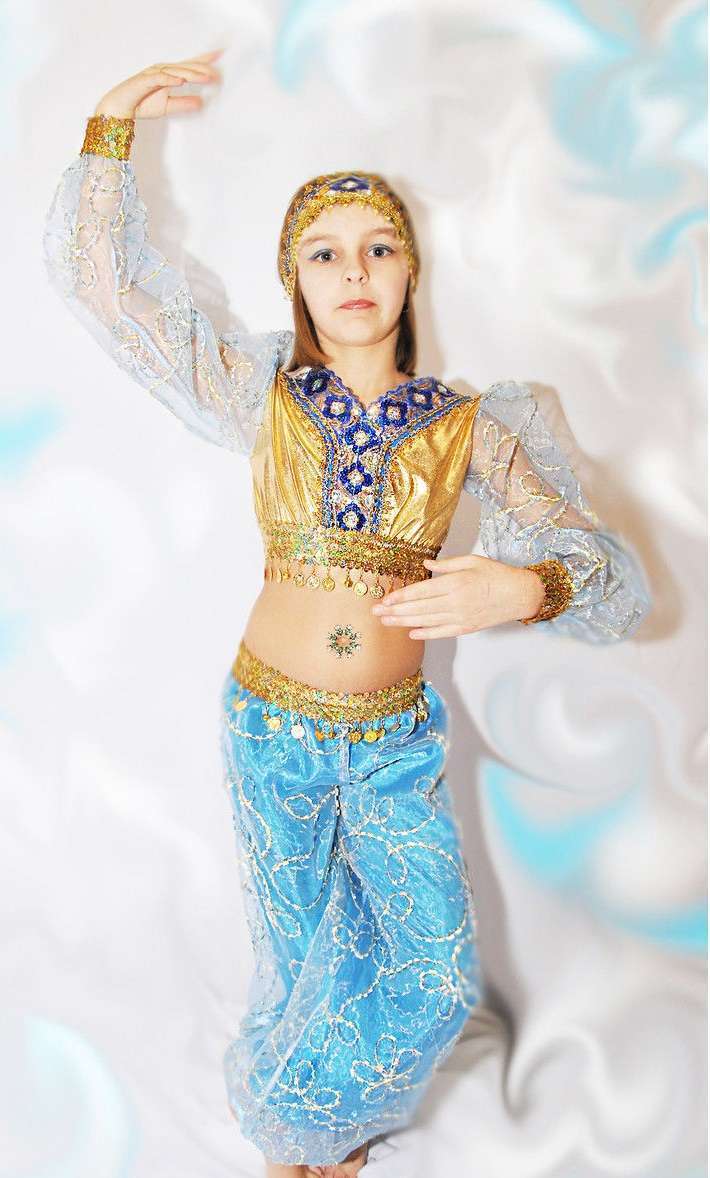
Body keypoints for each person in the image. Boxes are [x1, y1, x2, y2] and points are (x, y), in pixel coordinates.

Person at [42, 49, 652, 1178]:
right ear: (293, 279)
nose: (354, 269)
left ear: (412, 270)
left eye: (379, 246)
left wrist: (523, 584)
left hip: (390, 743)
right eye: (323, 251)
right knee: (300, 956)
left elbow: (600, 565)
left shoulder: (470, 426)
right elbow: (108, 290)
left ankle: (290, 1115)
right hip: (267, 723)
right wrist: (111, 120)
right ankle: (308, 1136)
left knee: (433, 975)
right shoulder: (262, 392)